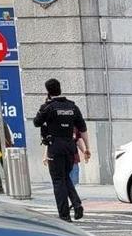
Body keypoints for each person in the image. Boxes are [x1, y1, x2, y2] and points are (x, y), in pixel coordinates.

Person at [34, 78, 90, 222]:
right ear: (60, 89)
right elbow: (83, 129)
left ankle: (64, 215)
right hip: (70, 147)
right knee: (65, 177)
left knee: (58, 181)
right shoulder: (72, 107)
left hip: (55, 147)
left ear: (48, 91)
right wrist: (87, 148)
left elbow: (37, 122)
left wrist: (45, 105)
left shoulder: (49, 107)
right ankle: (77, 204)